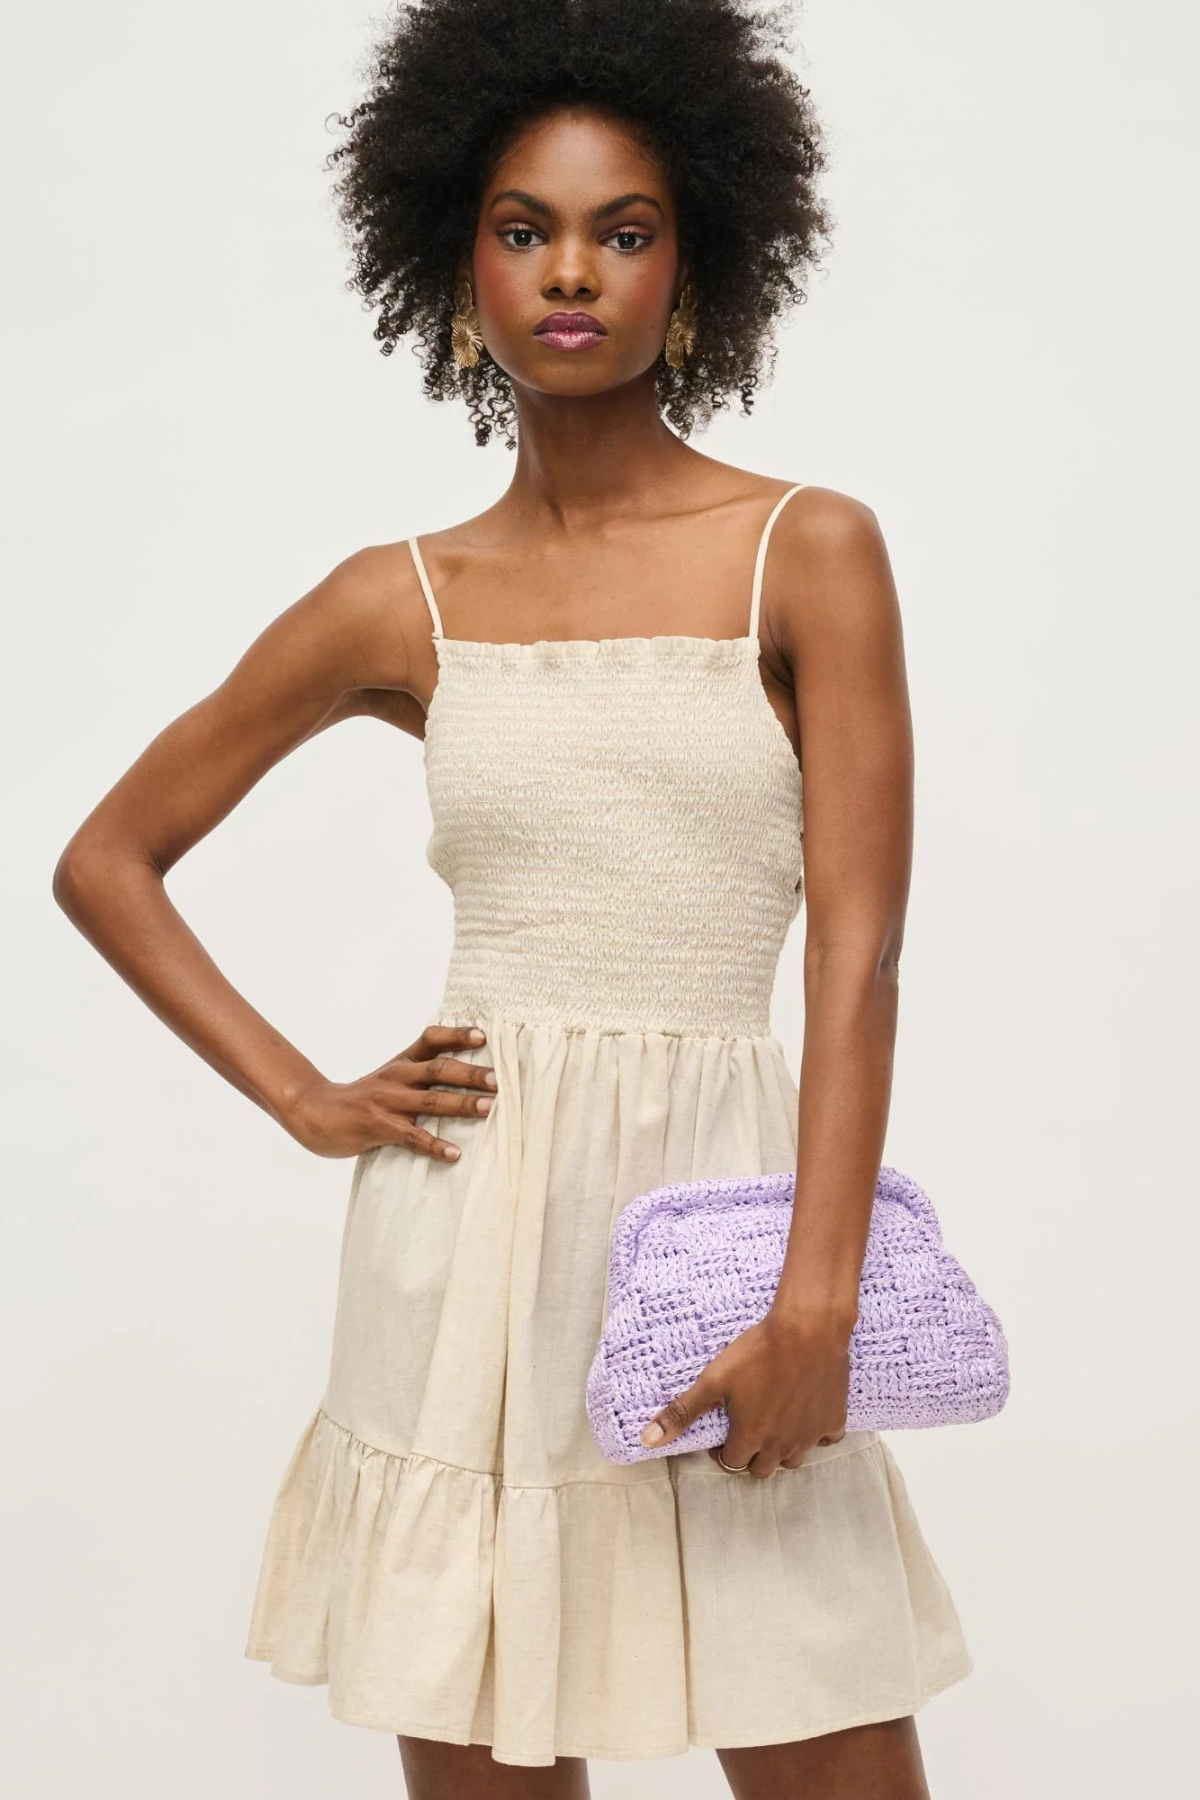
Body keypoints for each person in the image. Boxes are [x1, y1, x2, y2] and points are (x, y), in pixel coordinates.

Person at [53, 1, 974, 1793]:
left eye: (624, 231)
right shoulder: (399, 598)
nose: (573, 271)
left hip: (729, 1236)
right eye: (524, 228)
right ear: (456, 266)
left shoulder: (811, 548)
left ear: (694, 261)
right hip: (464, 1253)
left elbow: (860, 956)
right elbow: (108, 859)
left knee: (832, 1741)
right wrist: (311, 1099)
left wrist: (819, 1303)